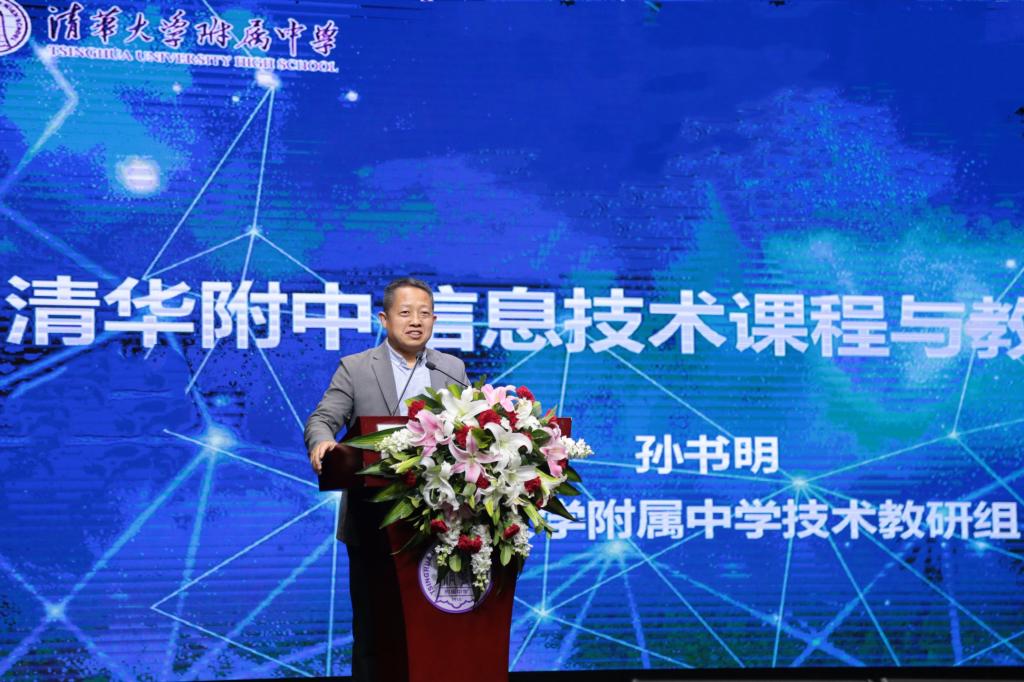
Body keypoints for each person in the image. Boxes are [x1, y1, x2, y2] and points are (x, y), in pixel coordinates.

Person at [304, 277, 470, 682]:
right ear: (384, 319)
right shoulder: (357, 367)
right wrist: (322, 441)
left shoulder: (450, 368)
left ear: (434, 320)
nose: (416, 321)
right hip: (372, 520)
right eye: (405, 313)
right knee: (375, 628)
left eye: (425, 313)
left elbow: (472, 425)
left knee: (434, 628)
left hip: (438, 521)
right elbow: (323, 418)